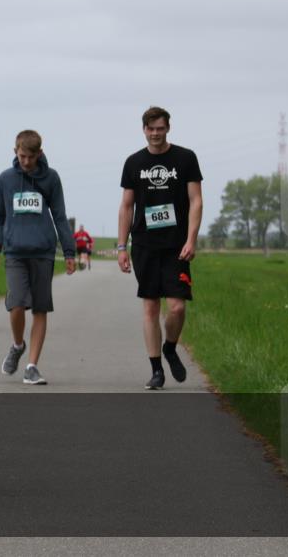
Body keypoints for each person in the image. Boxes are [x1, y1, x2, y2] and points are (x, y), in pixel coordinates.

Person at [117, 106, 202, 390]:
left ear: (168, 128)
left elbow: (196, 201)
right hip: (144, 245)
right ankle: (156, 369)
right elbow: (127, 206)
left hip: (177, 245)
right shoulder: (133, 163)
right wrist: (121, 246)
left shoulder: (185, 158)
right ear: (144, 130)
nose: (155, 134)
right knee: (151, 306)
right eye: (151, 129)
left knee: (176, 307)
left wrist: (192, 239)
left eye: (160, 128)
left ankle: (170, 347)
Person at [0, 130, 76, 385]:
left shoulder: (51, 178)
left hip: (43, 252)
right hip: (15, 252)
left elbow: (60, 216)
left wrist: (69, 252)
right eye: (22, 156)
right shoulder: (6, 179)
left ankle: (32, 366)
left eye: (30, 157)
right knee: (16, 304)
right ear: (15, 152)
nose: (26, 162)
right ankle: (18, 346)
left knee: (40, 309)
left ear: (40, 153)